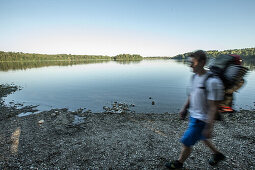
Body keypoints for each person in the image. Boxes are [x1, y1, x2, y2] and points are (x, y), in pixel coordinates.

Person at [165, 50, 225, 169]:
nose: (190, 65)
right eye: (189, 62)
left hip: (202, 119)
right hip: (194, 116)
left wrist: (209, 126)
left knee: (186, 141)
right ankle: (218, 154)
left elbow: (213, 107)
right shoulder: (194, 77)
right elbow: (192, 94)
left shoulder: (212, 82)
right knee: (202, 137)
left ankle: (179, 163)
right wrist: (184, 108)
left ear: (202, 62)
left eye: (192, 63)